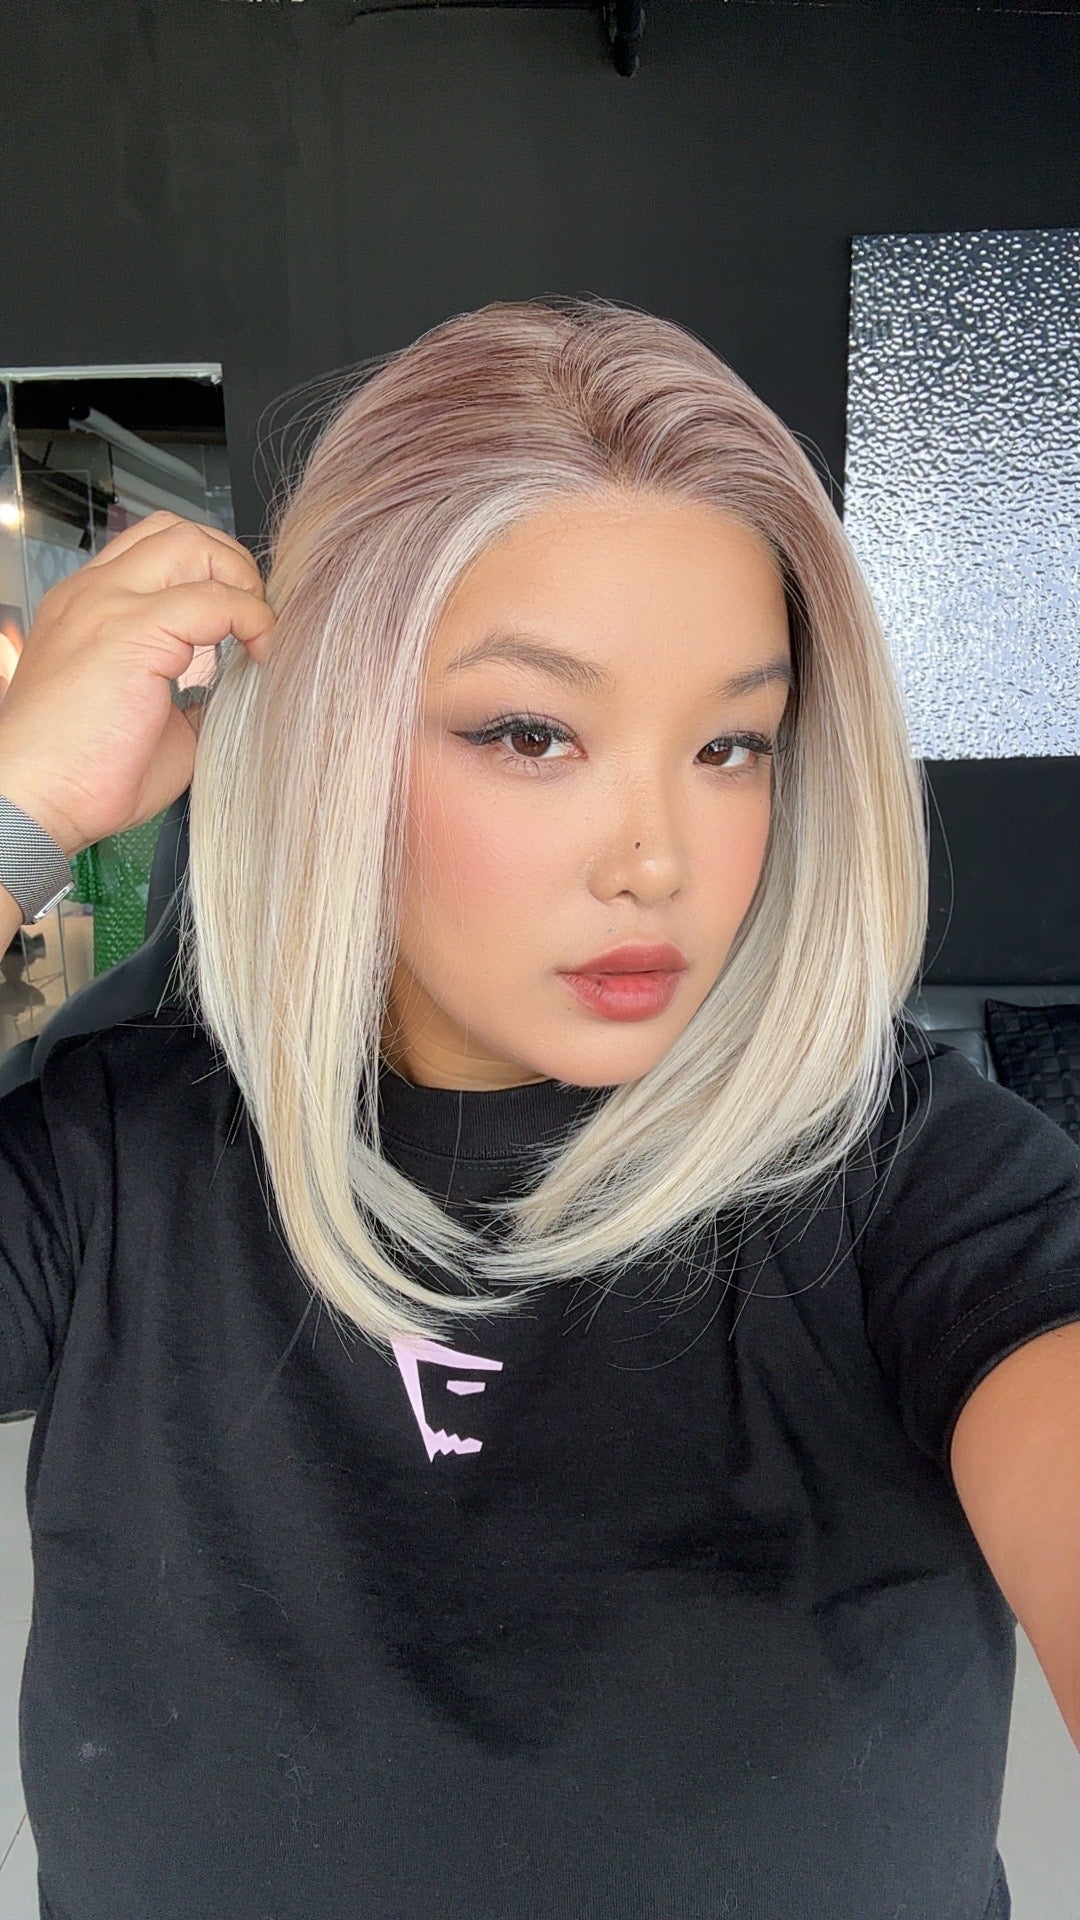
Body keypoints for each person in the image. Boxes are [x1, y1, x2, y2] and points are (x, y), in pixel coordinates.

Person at [0, 295, 1078, 1920]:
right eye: (531, 732)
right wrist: (14, 816)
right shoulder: (114, 1161)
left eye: (733, 744)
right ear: (329, 732)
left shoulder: (925, 1188)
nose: (658, 858)